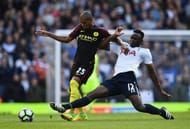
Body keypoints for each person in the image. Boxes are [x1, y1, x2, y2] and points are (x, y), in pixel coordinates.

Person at [49, 29, 174, 120]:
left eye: (136, 38)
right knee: (92, 94)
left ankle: (161, 112)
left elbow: (151, 72)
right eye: (132, 37)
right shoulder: (121, 47)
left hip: (128, 78)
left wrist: (160, 89)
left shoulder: (144, 52)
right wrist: (114, 36)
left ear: (140, 41)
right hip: (115, 79)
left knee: (139, 107)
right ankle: (65, 107)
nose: (132, 39)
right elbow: (101, 45)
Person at [35, 11, 126, 121]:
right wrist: (48, 34)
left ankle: (71, 113)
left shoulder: (100, 31)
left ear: (90, 21)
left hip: (88, 64)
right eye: (81, 23)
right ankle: (82, 113)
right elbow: (67, 39)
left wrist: (122, 44)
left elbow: (113, 39)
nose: (82, 25)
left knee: (74, 83)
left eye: (84, 23)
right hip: (77, 63)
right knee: (73, 89)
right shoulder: (80, 28)